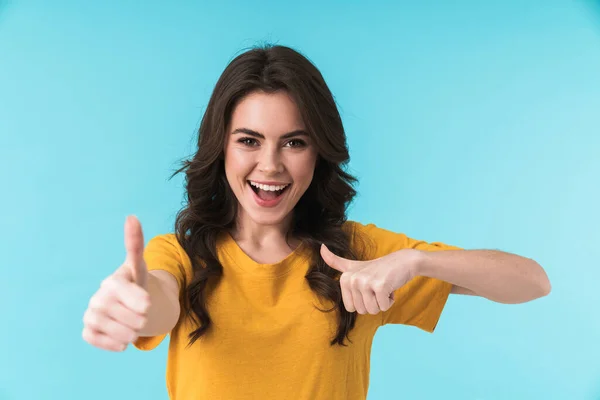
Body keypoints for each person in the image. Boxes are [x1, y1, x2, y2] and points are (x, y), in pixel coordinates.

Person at [81, 44, 551, 399]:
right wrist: (134, 298)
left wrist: (415, 261)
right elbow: (158, 299)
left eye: (294, 142)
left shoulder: (358, 255)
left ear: (318, 152)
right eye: (249, 140)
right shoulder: (180, 255)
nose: (270, 166)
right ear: (220, 147)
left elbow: (532, 282)